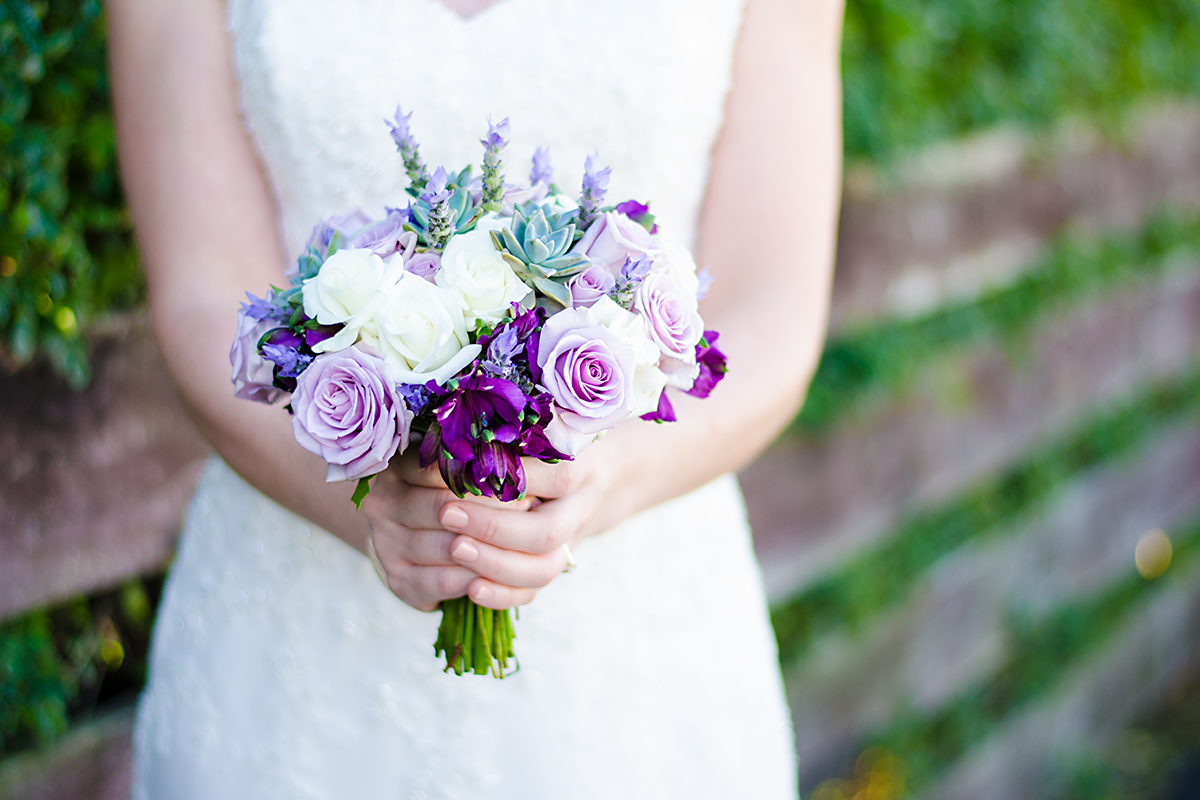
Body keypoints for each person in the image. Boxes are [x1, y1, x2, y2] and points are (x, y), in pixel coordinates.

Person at [107, 0, 843, 795]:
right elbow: (203, 297)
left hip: (637, 645)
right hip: (285, 621)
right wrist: (365, 505)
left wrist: (603, 478)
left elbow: (772, 308)